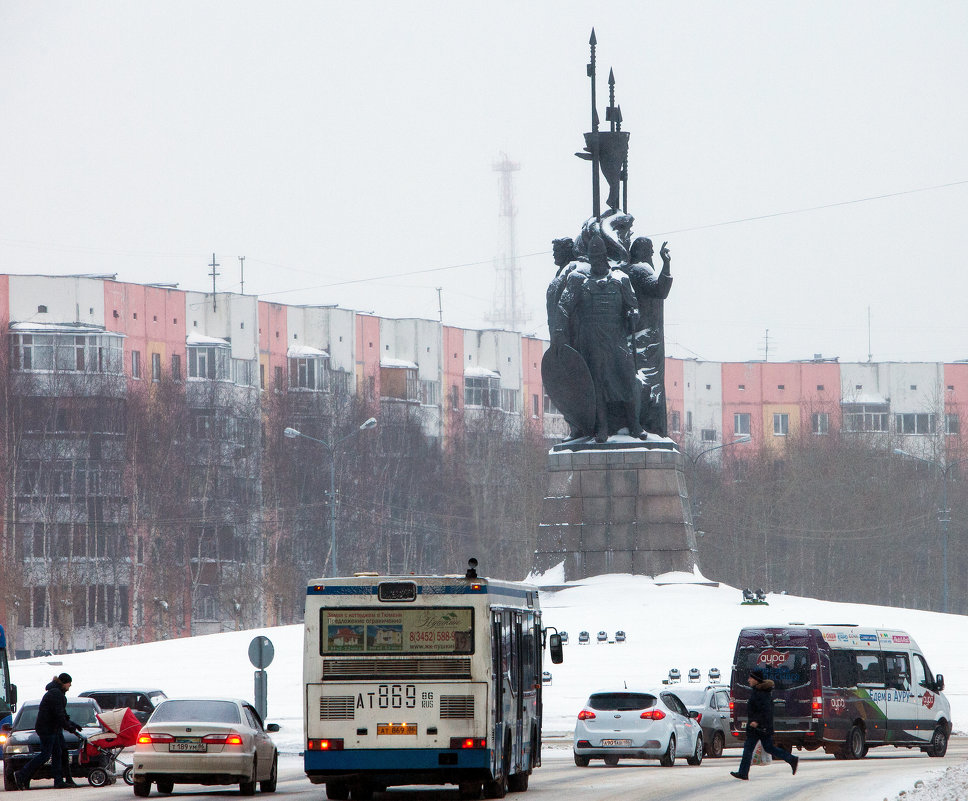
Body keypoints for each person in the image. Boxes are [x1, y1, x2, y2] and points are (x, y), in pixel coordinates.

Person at [555, 234, 643, 442]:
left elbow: (634, 307)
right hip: (591, 341)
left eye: (599, 257)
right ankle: (601, 428)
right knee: (597, 384)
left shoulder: (621, 279)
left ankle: (634, 425)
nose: (596, 261)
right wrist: (559, 333)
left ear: (605, 257)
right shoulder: (578, 281)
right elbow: (563, 307)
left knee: (628, 379)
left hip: (616, 339)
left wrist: (633, 316)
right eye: (592, 257)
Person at [621, 236, 673, 436]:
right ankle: (651, 426)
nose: (652, 254)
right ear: (641, 251)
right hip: (646, 340)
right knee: (650, 384)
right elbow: (661, 289)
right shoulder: (640, 270)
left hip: (643, 338)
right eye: (650, 250)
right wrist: (666, 264)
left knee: (644, 383)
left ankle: (645, 423)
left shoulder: (631, 271)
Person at [15, 672, 81, 789]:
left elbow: (62, 715)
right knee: (46, 755)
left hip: (52, 728)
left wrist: (73, 724)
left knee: (58, 753)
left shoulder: (56, 693)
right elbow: (59, 715)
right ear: (65, 683)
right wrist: (69, 727)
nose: (69, 687)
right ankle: (21, 774)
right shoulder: (56, 694)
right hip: (47, 729)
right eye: (69, 684)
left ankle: (58, 780)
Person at [730, 669, 799, 781]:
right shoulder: (758, 691)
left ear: (756, 680)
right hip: (759, 727)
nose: (748, 680)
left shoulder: (762, 693)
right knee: (765, 748)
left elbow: (766, 710)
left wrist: (756, 721)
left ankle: (743, 772)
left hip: (760, 727)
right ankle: (791, 759)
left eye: (750, 678)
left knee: (752, 749)